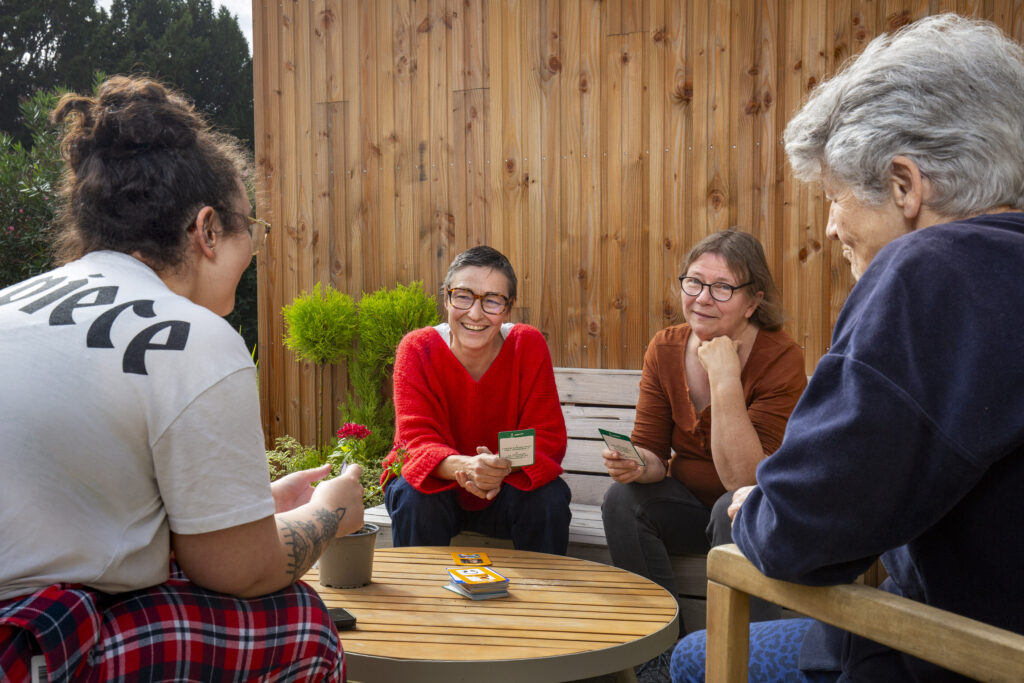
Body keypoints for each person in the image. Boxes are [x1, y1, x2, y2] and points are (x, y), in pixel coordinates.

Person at [671, 14, 1024, 683]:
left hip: (956, 654)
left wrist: (758, 508)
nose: (832, 227)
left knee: (694, 657)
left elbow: (799, 530)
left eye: (834, 198)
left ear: (904, 184)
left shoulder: (935, 272)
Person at [0, 75, 365, 682]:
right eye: (254, 227)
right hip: (24, 642)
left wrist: (259, 507)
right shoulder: (191, 336)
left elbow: (65, 516)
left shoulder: (13, 303)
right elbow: (239, 571)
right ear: (208, 229)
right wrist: (328, 513)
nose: (256, 247)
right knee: (300, 619)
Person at [600, 229, 806, 642]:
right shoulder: (665, 348)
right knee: (622, 501)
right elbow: (655, 456)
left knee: (733, 505)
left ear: (754, 300)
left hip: (759, 513)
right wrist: (637, 466)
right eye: (694, 282)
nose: (702, 297)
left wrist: (725, 378)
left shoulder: (780, 357)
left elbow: (747, 480)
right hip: (690, 508)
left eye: (722, 287)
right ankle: (655, 654)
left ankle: (753, 658)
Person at [382, 245, 572, 554]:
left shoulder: (527, 344)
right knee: (413, 494)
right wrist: (469, 466)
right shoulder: (417, 348)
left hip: (506, 486)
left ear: (507, 309)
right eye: (463, 296)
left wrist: (495, 468)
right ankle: (421, 601)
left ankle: (543, 596)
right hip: (437, 486)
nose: (474, 313)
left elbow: (546, 436)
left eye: (493, 301)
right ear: (446, 297)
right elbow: (416, 441)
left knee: (549, 498)